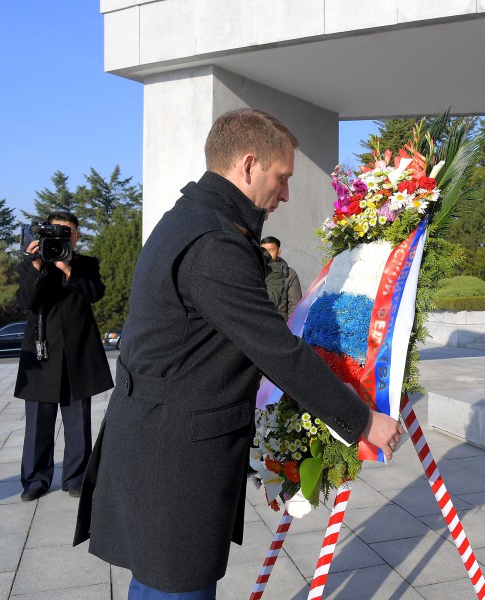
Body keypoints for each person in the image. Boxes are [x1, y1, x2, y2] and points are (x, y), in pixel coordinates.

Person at [73, 108, 403, 598]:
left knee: (157, 584)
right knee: (174, 587)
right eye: (282, 178)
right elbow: (277, 351)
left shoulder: (195, 220)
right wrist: (362, 421)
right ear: (249, 165)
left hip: (159, 439)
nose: (286, 194)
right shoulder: (215, 244)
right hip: (175, 459)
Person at [14, 211, 114, 501]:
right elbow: (25, 302)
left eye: (68, 232)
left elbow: (95, 293)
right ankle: (35, 480)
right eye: (57, 231)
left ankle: (76, 477)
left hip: (77, 354)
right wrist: (36, 265)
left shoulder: (85, 264)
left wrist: (68, 269)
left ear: (77, 236)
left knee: (77, 423)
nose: (62, 236)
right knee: (38, 424)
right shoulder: (31, 264)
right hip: (41, 353)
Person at [260, 235, 302, 320]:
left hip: (279, 321)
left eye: (271, 250)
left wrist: (290, 328)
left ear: (278, 252)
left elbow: (295, 304)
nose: (267, 254)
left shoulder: (289, 273)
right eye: (263, 250)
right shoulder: (254, 270)